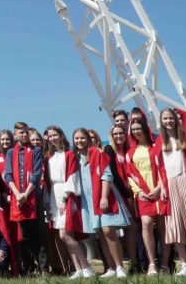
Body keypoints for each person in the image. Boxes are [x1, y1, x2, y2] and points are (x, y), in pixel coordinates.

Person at [73, 128, 129, 279]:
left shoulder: (97, 153)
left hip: (102, 196)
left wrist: (104, 197)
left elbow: (107, 174)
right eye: (76, 138)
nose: (79, 141)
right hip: (88, 200)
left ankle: (119, 267)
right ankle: (110, 267)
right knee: (101, 234)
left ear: (88, 139)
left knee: (108, 230)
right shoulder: (77, 157)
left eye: (82, 138)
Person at [158, 108, 186, 276]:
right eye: (165, 118)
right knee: (175, 225)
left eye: (170, 118)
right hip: (170, 185)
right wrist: (162, 187)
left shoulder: (185, 138)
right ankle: (184, 264)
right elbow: (159, 167)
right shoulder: (160, 141)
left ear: (176, 120)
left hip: (185, 181)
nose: (168, 121)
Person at [43, 125, 92, 278]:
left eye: (55, 135)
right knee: (63, 234)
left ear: (61, 135)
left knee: (65, 234)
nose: (52, 138)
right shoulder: (49, 156)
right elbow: (47, 180)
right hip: (54, 195)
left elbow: (72, 176)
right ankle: (78, 269)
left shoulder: (69, 154)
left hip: (66, 193)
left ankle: (86, 266)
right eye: (50, 136)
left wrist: (65, 198)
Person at [126, 115, 167, 275]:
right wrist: (139, 191)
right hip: (143, 194)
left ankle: (164, 263)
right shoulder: (131, 152)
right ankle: (151, 263)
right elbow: (130, 174)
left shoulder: (156, 146)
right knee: (146, 224)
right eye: (133, 129)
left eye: (139, 128)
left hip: (160, 190)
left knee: (164, 227)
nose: (136, 131)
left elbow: (164, 167)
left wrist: (159, 187)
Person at [4, 121, 46, 275]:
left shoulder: (35, 151)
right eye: (21, 132)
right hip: (18, 198)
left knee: (39, 233)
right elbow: (8, 174)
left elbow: (36, 174)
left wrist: (26, 194)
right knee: (24, 236)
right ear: (15, 134)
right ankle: (29, 268)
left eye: (26, 132)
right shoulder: (11, 153)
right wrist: (17, 194)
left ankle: (44, 268)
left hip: (34, 196)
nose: (24, 135)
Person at [104, 124, 139, 272]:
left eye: (121, 133)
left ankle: (134, 262)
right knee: (125, 227)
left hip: (134, 191)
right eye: (115, 134)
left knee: (133, 228)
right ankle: (119, 264)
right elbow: (112, 172)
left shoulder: (130, 149)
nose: (119, 136)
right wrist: (126, 191)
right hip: (121, 193)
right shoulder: (109, 150)